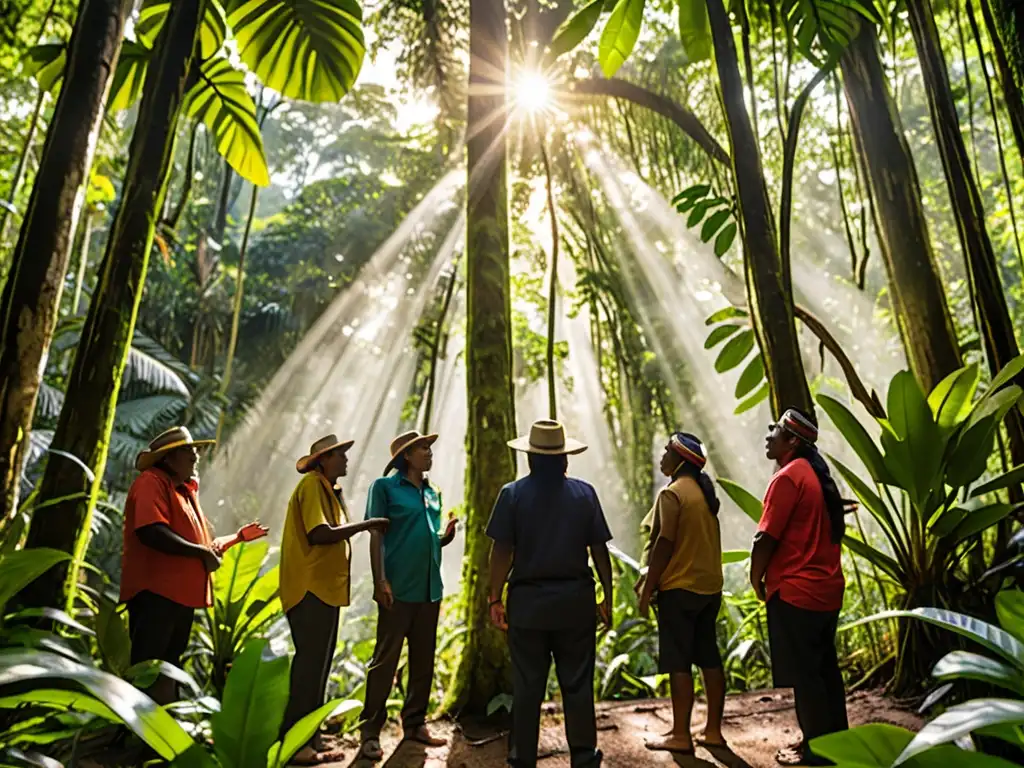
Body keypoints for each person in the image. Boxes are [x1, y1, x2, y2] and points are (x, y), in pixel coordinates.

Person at [487, 419, 614, 768]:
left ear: (529, 459)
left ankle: (522, 758)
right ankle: (584, 758)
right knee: (577, 684)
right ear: (564, 460)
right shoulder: (584, 493)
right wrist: (608, 596)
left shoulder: (512, 495)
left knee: (528, 686)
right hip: (576, 605)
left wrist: (494, 598)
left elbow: (501, 551)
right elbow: (599, 550)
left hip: (528, 607)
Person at [120, 426, 267, 705]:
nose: (196, 455)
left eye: (195, 449)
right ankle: (135, 735)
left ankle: (164, 731)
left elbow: (204, 547)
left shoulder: (185, 492)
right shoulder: (151, 482)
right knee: (148, 667)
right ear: (169, 458)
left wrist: (237, 538)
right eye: (188, 450)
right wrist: (200, 552)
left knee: (170, 665)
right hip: (156, 592)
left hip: (180, 596)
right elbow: (150, 530)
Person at [279, 435, 390, 765]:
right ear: (323, 460)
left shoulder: (329, 490)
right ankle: (295, 743)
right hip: (308, 589)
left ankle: (312, 737)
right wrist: (366, 525)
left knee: (320, 667)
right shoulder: (312, 485)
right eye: (339, 455)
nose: (345, 460)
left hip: (324, 590)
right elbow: (319, 533)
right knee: (309, 668)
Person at [750, 408, 848, 766]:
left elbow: (765, 538)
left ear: (793, 440)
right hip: (826, 590)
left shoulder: (789, 478)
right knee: (824, 672)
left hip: (796, 592)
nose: (768, 434)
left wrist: (755, 577)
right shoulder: (816, 477)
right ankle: (834, 745)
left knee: (807, 678)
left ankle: (817, 754)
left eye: (775, 429)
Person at [359, 430, 457, 761]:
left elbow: (428, 538)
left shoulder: (432, 493)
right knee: (385, 659)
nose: (429, 453)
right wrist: (380, 580)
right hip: (397, 588)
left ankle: (414, 723)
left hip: (430, 589)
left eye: (429, 448)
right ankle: (370, 731)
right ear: (406, 456)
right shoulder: (384, 488)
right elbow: (376, 533)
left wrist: (445, 537)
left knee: (423, 658)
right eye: (422, 448)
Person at [637, 432, 727, 755]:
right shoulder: (704, 494)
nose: (662, 457)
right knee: (708, 656)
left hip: (679, 589)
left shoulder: (672, 494)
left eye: (666, 451)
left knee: (679, 661)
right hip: (709, 588)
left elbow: (664, 544)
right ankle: (713, 732)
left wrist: (648, 590)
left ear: (679, 460)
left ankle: (680, 735)